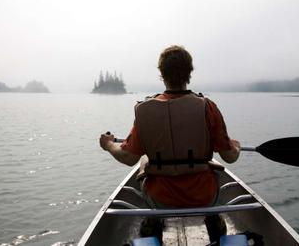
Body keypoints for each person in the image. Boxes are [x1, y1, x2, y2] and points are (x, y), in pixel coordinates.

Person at [99, 45, 241, 245]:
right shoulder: (207, 107)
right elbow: (229, 157)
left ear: (161, 74)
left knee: (144, 159)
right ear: (189, 73)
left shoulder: (145, 110)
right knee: (214, 176)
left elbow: (128, 157)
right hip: (204, 197)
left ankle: (152, 224)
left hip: (160, 199)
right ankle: (214, 222)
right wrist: (236, 147)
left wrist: (108, 145)